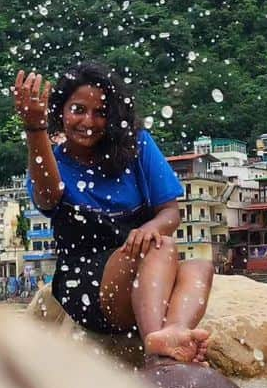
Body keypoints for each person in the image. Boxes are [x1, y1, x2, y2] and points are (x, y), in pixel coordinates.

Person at [13, 61, 214, 365]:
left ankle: (174, 331)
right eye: (78, 110)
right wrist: (34, 127)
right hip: (87, 286)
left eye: (100, 113)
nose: (88, 121)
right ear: (61, 113)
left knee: (199, 268)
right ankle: (157, 351)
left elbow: (170, 213)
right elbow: (48, 197)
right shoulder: (53, 161)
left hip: (146, 275)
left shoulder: (137, 147)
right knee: (161, 247)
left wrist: (152, 228)